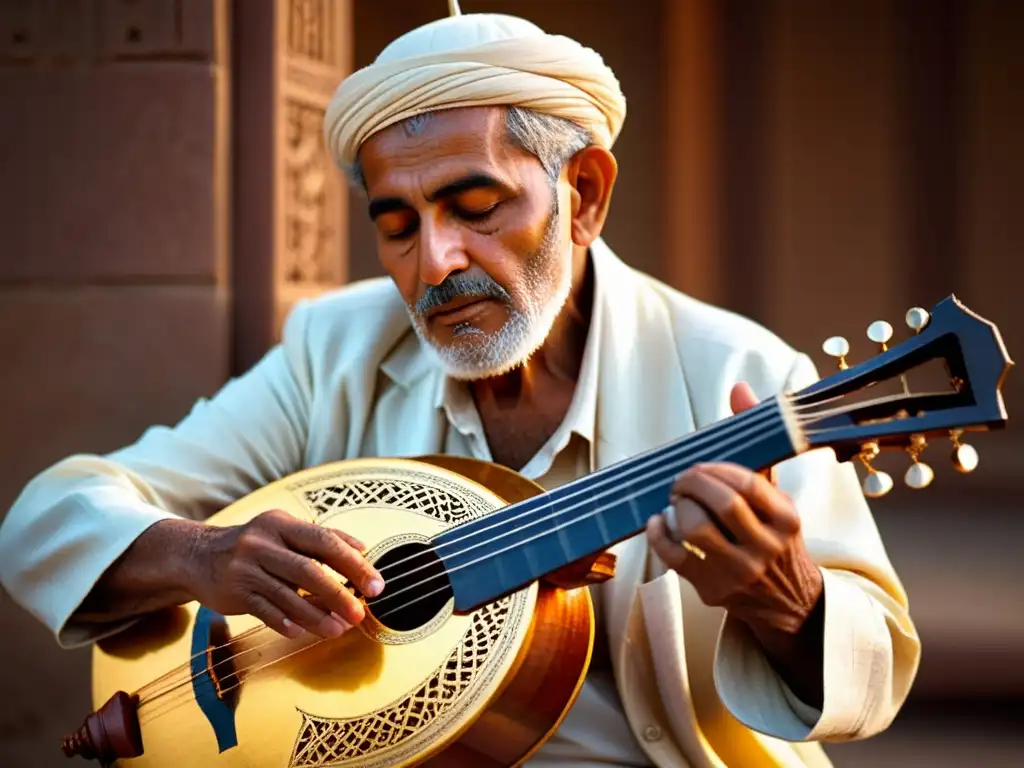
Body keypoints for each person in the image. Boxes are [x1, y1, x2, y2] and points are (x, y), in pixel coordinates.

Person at [0, 5, 920, 768]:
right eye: (397, 225)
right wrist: (207, 557)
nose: (436, 262)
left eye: (477, 209)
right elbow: (48, 520)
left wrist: (787, 599)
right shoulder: (338, 347)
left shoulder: (741, 376)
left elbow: (873, 675)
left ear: (585, 194)